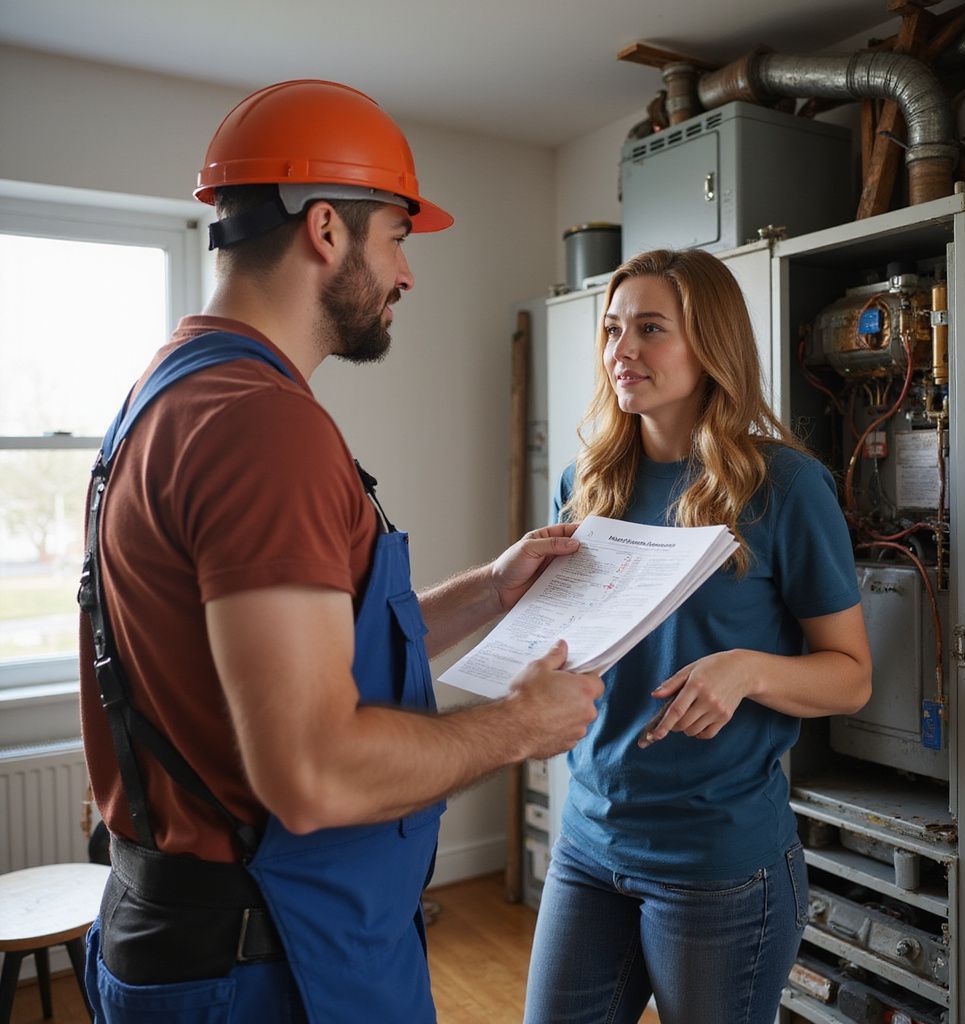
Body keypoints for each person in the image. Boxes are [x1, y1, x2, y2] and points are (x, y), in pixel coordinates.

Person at [76, 79, 603, 1024]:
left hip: (199, 934)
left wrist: (492, 588)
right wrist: (520, 729)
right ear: (326, 230)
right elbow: (312, 772)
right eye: (397, 238)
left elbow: (311, 643)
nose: (407, 275)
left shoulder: (171, 392)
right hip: (271, 966)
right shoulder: (261, 428)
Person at [523, 248, 872, 1024]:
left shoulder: (785, 487)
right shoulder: (586, 483)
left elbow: (850, 676)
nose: (623, 350)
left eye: (651, 328)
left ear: (710, 344)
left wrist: (746, 670)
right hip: (589, 839)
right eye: (613, 330)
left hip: (717, 864)